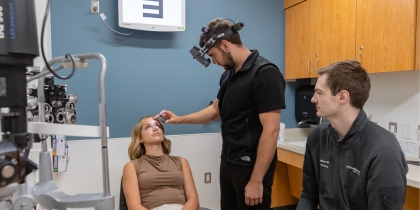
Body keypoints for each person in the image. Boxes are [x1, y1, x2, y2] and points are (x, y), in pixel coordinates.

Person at [155, 18, 286, 210]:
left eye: (213, 55)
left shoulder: (265, 73)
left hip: (251, 166)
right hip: (228, 160)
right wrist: (179, 119)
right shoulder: (228, 74)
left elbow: (271, 130)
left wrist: (257, 180)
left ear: (225, 45)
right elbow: (216, 109)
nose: (214, 61)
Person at [297, 60, 408, 209]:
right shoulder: (317, 138)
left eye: (319, 93)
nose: (313, 99)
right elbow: (309, 195)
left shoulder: (384, 151)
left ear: (342, 97)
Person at [122, 116, 200, 210]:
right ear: (140, 138)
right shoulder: (132, 166)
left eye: (158, 125)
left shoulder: (182, 162)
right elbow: (134, 206)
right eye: (148, 127)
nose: (155, 128)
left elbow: (193, 198)